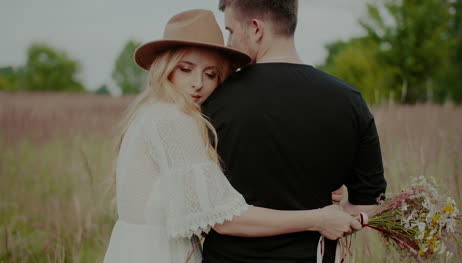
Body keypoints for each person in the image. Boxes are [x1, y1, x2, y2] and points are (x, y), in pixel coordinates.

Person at [103, 9, 362, 263]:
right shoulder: (173, 120)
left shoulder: (151, 112)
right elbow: (225, 220)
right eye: (186, 69)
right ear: (165, 68)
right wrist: (318, 219)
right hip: (159, 254)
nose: (197, 83)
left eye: (210, 74)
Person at [201, 1, 387, 262]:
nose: (229, 42)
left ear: (256, 29)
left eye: (230, 30)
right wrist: (328, 217)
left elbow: (207, 210)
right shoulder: (350, 101)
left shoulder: (213, 102)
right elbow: (369, 202)